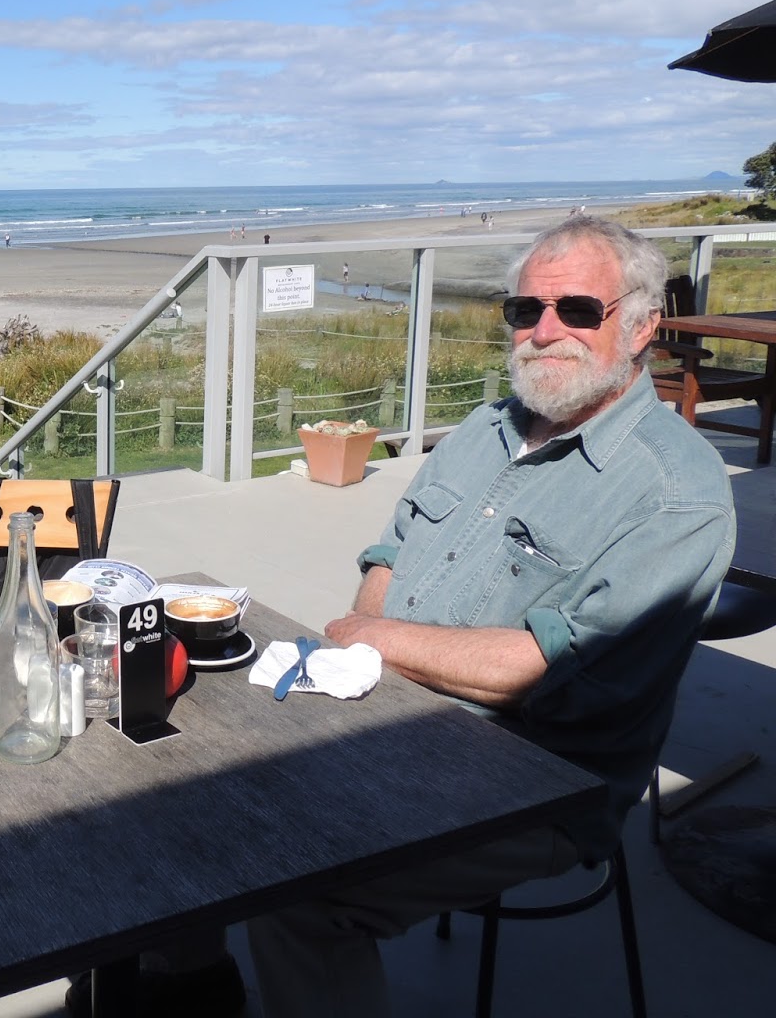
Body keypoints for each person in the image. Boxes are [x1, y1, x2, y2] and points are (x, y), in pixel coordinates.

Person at [66, 216, 734, 1018]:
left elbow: (549, 669)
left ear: (640, 325)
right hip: (384, 712)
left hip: (543, 780)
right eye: (525, 311)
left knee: (302, 898)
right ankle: (188, 982)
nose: (544, 331)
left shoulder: (674, 492)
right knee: (170, 768)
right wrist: (366, 659)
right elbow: (387, 557)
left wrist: (371, 641)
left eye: (577, 310)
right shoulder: (487, 432)